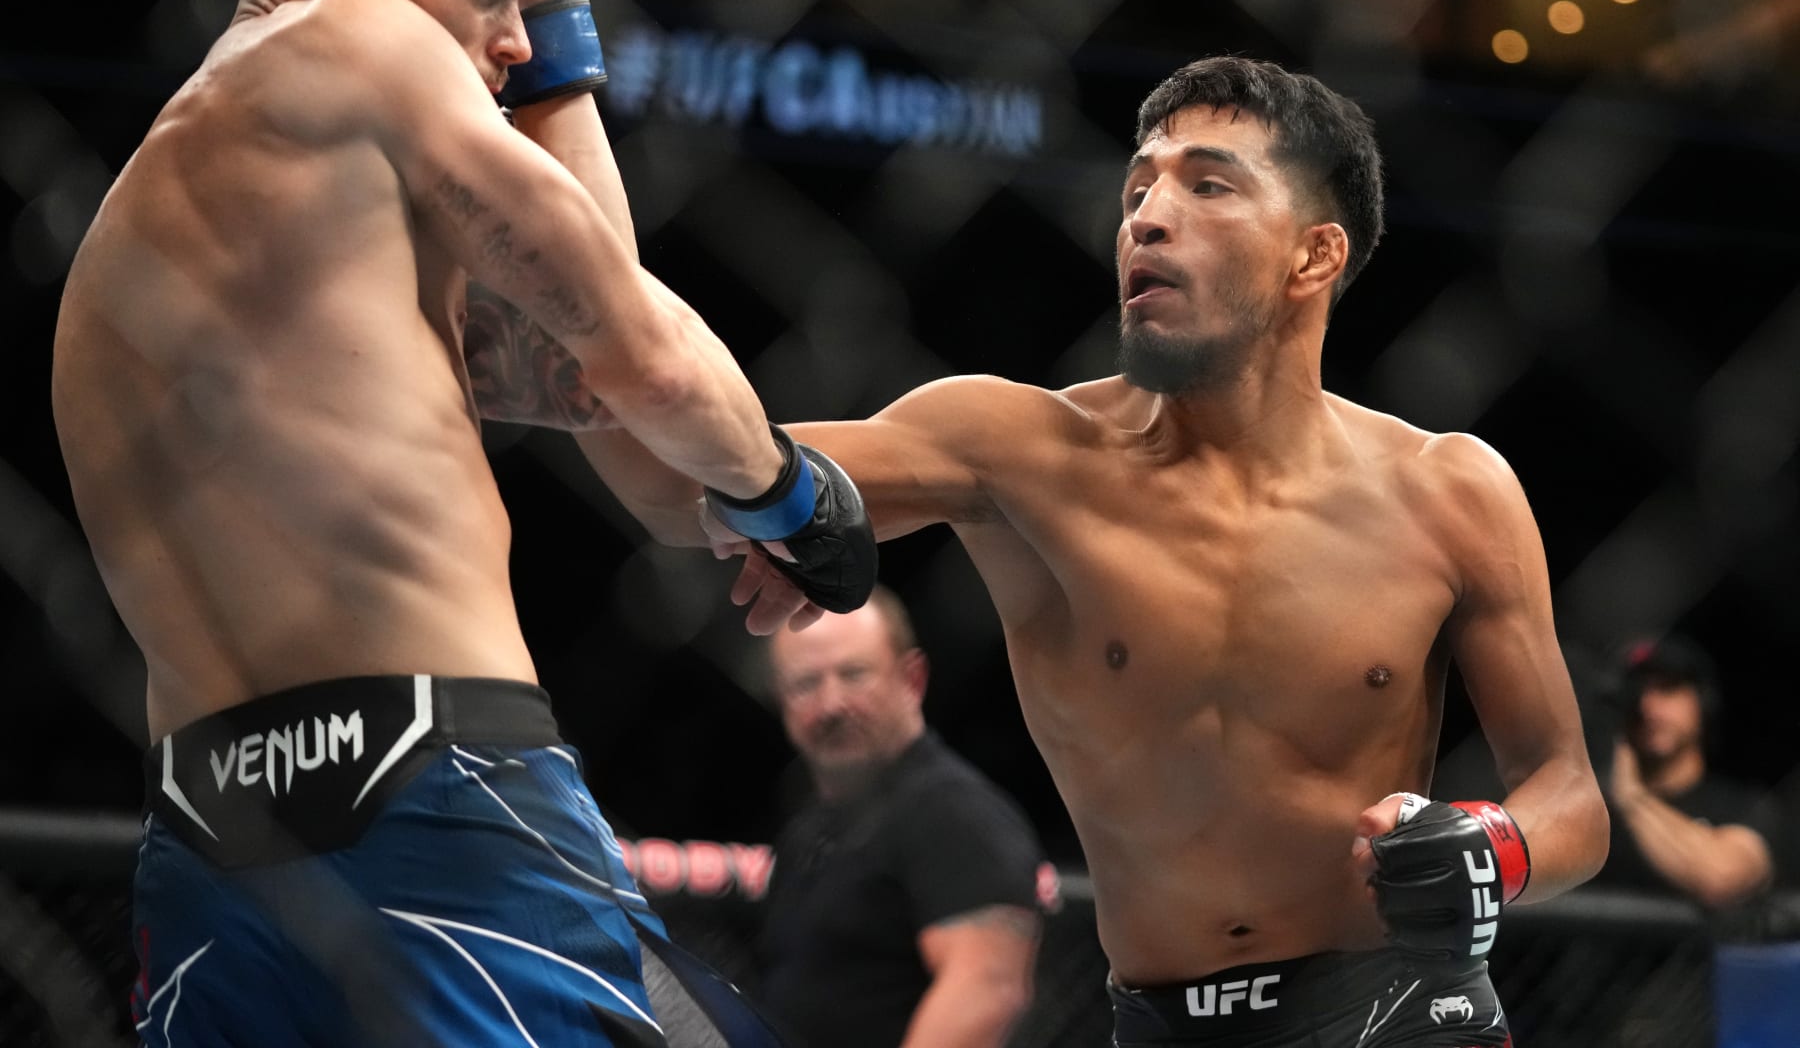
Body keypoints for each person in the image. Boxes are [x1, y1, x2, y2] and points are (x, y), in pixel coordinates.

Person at [577, 55, 1611, 1046]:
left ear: (1314, 255)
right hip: (1159, 1023)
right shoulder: (1016, 454)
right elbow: (688, 489)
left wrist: (1491, 847)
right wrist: (565, 303)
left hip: (1396, 1011)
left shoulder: (1448, 490)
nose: (1148, 218)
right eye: (1137, 190)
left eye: (1208, 186)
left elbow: (1569, 797)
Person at [49, 0, 872, 1044]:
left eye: (537, 15)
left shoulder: (132, 242)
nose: (522, 44)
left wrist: (553, 30)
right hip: (435, 792)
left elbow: (600, 402)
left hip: (208, 851)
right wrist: (793, 496)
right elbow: (634, 348)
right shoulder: (356, 40)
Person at [757, 586, 1043, 1048]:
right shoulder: (807, 831)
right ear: (780, 699)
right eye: (806, 683)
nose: (831, 705)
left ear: (912, 679)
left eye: (854, 674)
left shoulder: (953, 811)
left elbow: (988, 989)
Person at [1597, 634, 1777, 909]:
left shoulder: (1743, 806)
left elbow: (1723, 878)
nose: (1648, 708)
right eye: (1635, 693)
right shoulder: (1597, 815)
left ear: (1702, 703)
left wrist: (1632, 798)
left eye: (1668, 689)